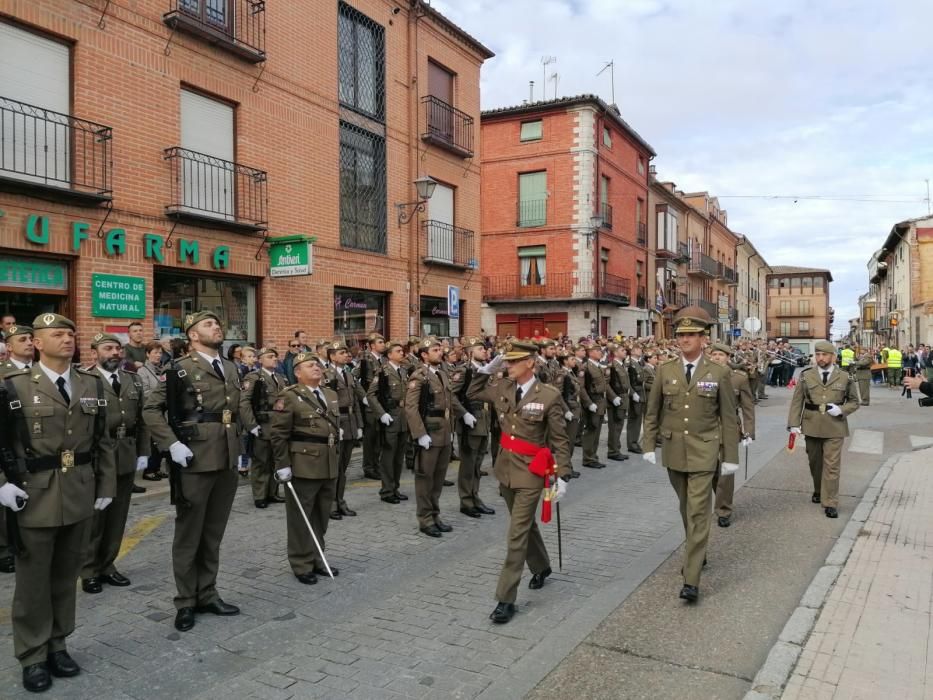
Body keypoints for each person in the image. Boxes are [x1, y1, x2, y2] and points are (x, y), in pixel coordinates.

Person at [0, 313, 116, 692]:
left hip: (79, 489)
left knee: (66, 577)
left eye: (70, 334)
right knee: (33, 582)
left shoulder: (89, 381)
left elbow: (102, 439)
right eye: (57, 334)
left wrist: (106, 483)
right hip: (33, 493)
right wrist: (2, 483)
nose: (67, 339)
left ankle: (58, 643)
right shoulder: (13, 384)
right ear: (36, 341)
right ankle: (32, 654)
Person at [143, 311, 242, 632]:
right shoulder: (180, 368)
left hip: (226, 457)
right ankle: (186, 600)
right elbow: (151, 409)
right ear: (193, 335)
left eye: (217, 322)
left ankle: (208, 592)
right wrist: (170, 444)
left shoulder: (229, 367)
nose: (217, 326)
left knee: (213, 533)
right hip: (195, 458)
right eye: (209, 324)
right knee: (189, 535)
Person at [467, 341, 572, 624]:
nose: (507, 366)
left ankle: (505, 598)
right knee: (523, 523)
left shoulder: (549, 396)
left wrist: (562, 475)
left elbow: (561, 439)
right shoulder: (502, 387)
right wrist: (483, 370)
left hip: (531, 472)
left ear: (530, 363)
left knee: (516, 534)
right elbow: (473, 392)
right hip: (505, 468)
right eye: (505, 362)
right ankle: (542, 566)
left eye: (513, 362)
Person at [641, 307, 739, 603]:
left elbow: (729, 417)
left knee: (698, 511)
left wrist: (730, 455)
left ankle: (691, 577)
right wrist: (648, 445)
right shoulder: (665, 370)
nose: (684, 340)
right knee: (686, 509)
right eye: (681, 335)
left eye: (690, 335)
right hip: (674, 450)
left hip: (705, 451)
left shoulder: (719, 372)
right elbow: (652, 410)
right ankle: (699, 550)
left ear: (703, 338)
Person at [80, 333, 149, 594]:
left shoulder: (132, 380)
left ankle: (108, 565)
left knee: (118, 514)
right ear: (94, 352)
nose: (115, 353)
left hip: (126, 452)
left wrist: (143, 451)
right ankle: (88, 570)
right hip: (98, 457)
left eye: (118, 349)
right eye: (108, 348)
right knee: (96, 516)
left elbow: (142, 419)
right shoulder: (86, 380)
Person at [269, 352, 340, 585]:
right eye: (310, 366)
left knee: (321, 514)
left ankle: (318, 557)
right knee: (301, 517)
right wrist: (282, 465)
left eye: (317, 365)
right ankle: (301, 563)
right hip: (303, 464)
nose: (316, 368)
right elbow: (278, 435)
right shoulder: (288, 396)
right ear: (297, 372)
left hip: (328, 462)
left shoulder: (329, 394)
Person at [787, 340, 859, 519]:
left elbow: (854, 401)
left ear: (833, 357)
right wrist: (794, 424)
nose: (820, 358)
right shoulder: (806, 376)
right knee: (815, 463)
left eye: (824, 355)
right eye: (818, 354)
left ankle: (831, 502)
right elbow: (797, 401)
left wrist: (841, 410)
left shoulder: (845, 376)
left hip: (835, 426)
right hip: (811, 424)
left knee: (832, 466)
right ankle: (819, 490)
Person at [404, 336, 463, 537]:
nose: (440, 352)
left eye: (440, 349)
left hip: (445, 433)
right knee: (425, 479)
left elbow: (450, 402)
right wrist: (420, 434)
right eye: (435, 350)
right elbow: (411, 408)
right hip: (429, 433)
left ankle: (435, 515)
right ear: (424, 355)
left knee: (438, 479)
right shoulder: (419, 376)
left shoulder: (442, 374)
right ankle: (425, 519)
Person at [708, 342, 755, 528]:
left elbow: (748, 406)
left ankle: (723, 510)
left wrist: (749, 431)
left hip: (729, 428)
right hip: (707, 428)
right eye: (714, 355)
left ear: (728, 358)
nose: (716, 358)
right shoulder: (704, 375)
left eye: (720, 355)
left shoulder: (739, 378)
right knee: (710, 470)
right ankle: (720, 499)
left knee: (726, 472)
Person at [451, 337, 495, 518]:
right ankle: (466, 501)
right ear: (470, 352)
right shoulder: (464, 371)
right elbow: (451, 395)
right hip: (470, 421)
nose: (484, 351)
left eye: (484, 349)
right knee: (468, 465)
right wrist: (464, 414)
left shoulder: (485, 371)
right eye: (479, 348)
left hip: (483, 421)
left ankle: (475, 497)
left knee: (477, 464)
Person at [240, 347, 288, 509]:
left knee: (276, 460)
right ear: (260, 360)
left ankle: (272, 492)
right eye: (269, 356)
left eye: (275, 356)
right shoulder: (253, 377)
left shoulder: (281, 378)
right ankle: (260, 495)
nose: (274, 359)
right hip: (262, 423)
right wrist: (251, 425)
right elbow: (244, 402)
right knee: (261, 461)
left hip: (279, 426)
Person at [322, 339, 364, 519]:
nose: (346, 355)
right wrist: (332, 425)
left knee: (343, 468)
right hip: (337, 422)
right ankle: (330, 504)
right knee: (334, 468)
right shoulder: (326, 375)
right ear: (331, 356)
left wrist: (359, 424)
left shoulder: (348, 374)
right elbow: (325, 403)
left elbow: (354, 402)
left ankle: (340, 501)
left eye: (346, 353)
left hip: (350, 422)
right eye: (341, 353)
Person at [367, 339, 410, 504]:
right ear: (390, 355)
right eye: (398, 351)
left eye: (402, 351)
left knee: (399, 457)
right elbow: (371, 395)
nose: (402, 353)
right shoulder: (383, 371)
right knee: (388, 457)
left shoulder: (404, 371)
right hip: (390, 418)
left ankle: (395, 488)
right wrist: (382, 413)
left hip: (403, 418)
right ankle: (386, 491)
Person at [356, 333, 387, 481]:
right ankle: (369, 467)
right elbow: (354, 378)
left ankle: (377, 464)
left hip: (381, 401)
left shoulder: (384, 360)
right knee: (371, 437)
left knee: (379, 437)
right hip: (370, 403)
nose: (383, 344)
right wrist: (364, 397)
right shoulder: (365, 360)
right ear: (372, 345)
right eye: (380, 342)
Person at [579, 344, 611, 469]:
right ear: (590, 352)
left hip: (600, 401)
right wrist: (589, 403)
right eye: (597, 351)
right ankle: (588, 458)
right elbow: (582, 388)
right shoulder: (586, 367)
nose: (600, 352)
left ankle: (593, 456)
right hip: (592, 400)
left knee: (597, 431)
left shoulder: (597, 366)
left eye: (600, 350)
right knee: (591, 430)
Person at [605, 345, 632, 462]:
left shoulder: (622, 365)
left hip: (623, 397)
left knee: (619, 425)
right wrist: (613, 397)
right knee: (615, 426)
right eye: (622, 350)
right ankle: (613, 451)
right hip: (616, 399)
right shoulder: (611, 366)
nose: (625, 351)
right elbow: (606, 384)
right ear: (615, 353)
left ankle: (616, 449)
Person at [626, 345, 646, 453]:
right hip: (635, 394)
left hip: (640, 393)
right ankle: (632, 443)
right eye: (638, 349)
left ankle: (634, 442)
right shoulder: (630, 364)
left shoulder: (638, 363)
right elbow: (627, 381)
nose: (641, 351)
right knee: (634, 420)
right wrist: (633, 393)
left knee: (638, 420)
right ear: (633, 351)